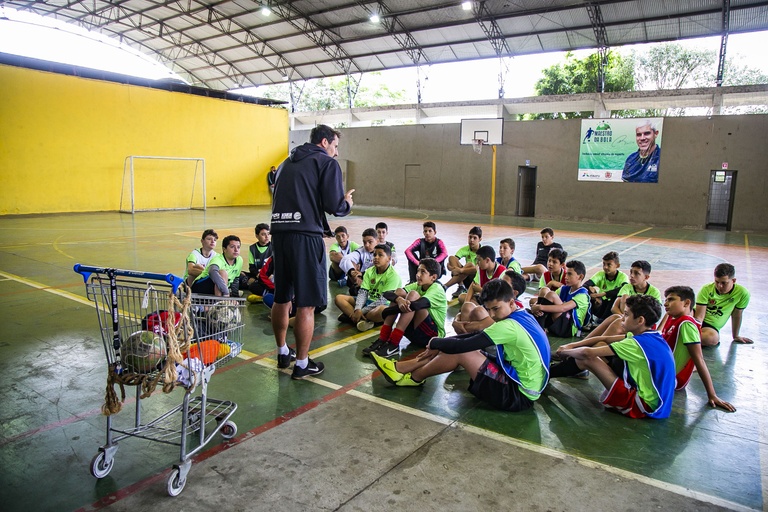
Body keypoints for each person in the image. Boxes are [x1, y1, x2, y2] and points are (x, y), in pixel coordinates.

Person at [370, 279, 550, 413]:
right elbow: (474, 337)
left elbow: (468, 343)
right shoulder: (520, 313)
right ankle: (406, 372)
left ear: (511, 302)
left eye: (496, 309)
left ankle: (407, 373)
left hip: (518, 395)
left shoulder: (509, 326)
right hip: (519, 381)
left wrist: (435, 342)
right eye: (489, 309)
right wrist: (439, 343)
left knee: (461, 351)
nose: (492, 315)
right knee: (457, 346)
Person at [270, 124, 354, 379]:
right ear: (325, 142)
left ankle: (283, 351)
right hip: (305, 237)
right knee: (306, 303)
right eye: (336, 146)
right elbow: (334, 205)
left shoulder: (285, 163)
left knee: (281, 297)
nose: (337, 153)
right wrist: (347, 204)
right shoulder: (326, 163)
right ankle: (303, 364)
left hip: (279, 234)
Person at [551, 295, 675, 419]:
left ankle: (547, 374)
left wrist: (565, 352)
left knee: (588, 358)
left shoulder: (636, 344)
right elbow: (603, 338)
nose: (622, 318)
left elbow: (587, 353)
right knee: (598, 348)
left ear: (640, 320)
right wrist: (571, 345)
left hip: (642, 407)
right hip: (657, 405)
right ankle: (552, 371)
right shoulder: (652, 336)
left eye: (626, 314)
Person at [659, 286, 735, 411]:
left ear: (687, 303)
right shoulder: (672, 318)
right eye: (666, 300)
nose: (666, 303)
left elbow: (699, 359)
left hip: (669, 378)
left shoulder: (687, 324)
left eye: (671, 299)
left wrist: (712, 395)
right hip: (661, 370)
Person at [362, 258, 447, 358]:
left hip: (431, 337)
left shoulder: (437, 289)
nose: (418, 274)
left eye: (423, 272)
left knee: (412, 295)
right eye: (418, 270)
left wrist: (388, 311)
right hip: (414, 333)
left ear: (433, 277)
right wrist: (398, 300)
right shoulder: (418, 285)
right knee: (399, 293)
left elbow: (416, 305)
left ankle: (393, 344)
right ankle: (383, 339)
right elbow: (388, 294)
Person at [335, 244, 401, 332]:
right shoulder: (369, 271)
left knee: (383, 310)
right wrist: (358, 308)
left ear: (389, 259)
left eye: (380, 255)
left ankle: (352, 316)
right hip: (368, 302)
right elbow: (363, 292)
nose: (376, 257)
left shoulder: (394, 276)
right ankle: (362, 320)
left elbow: (383, 300)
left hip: (381, 306)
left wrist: (361, 311)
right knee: (339, 298)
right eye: (374, 254)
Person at [694, 263, 752, 346]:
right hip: (695, 317)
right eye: (716, 282)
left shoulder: (743, 293)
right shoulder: (706, 289)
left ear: (734, 280)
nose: (719, 286)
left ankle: (683, 336)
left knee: (712, 339)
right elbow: (699, 316)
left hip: (711, 326)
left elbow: (737, 315)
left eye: (724, 283)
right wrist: (694, 329)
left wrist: (735, 336)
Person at [530, 260, 591, 338]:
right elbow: (547, 298)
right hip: (560, 321)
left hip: (569, 328)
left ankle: (539, 327)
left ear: (580, 277)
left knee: (551, 295)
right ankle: (539, 322)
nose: (566, 277)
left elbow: (563, 308)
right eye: (566, 274)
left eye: (569, 274)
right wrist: (535, 305)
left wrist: (539, 307)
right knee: (544, 290)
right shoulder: (565, 289)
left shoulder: (582, 295)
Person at [453, 270, 526, 335]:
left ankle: (464, 341)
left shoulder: (515, 307)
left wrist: (460, 325)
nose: (500, 284)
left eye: (505, 283)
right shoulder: (495, 301)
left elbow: (481, 325)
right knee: (467, 306)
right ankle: (464, 340)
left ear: (515, 293)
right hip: (480, 331)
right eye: (501, 280)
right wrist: (456, 320)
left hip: (494, 338)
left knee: (478, 311)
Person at [583, 251, 629, 324]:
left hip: (613, 305)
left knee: (616, 297)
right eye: (604, 264)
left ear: (617, 266)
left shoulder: (623, 277)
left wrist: (602, 294)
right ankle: (588, 319)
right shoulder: (601, 274)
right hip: (601, 303)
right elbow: (585, 285)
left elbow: (623, 289)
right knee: (587, 294)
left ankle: (604, 320)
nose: (605, 267)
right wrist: (592, 293)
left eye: (609, 265)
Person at [444, 226, 482, 298]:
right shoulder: (465, 249)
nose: (471, 240)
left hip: (475, 279)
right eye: (470, 237)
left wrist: (460, 270)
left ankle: (446, 286)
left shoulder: (482, 251)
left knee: (470, 265)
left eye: (474, 238)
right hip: (464, 277)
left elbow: (476, 269)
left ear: (480, 239)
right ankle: (461, 286)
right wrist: (452, 268)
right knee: (451, 258)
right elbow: (451, 262)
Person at [340, 228, 377, 297]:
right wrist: (352, 272)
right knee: (352, 264)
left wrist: (362, 274)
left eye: (370, 242)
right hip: (362, 278)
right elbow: (345, 259)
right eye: (364, 242)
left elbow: (380, 269)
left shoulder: (383, 252)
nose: (366, 245)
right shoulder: (361, 251)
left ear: (377, 241)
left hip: (377, 279)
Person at [242, 223, 272, 302]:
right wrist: (258, 275)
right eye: (263, 234)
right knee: (241, 276)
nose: (267, 236)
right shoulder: (252, 248)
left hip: (270, 276)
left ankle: (266, 295)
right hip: (259, 275)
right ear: (257, 236)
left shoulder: (274, 247)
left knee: (253, 285)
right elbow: (252, 267)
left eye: (268, 234)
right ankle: (265, 294)